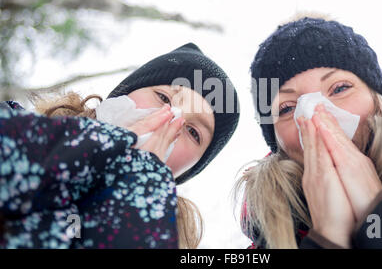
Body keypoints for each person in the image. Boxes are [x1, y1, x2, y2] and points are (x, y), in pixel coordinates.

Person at [234, 16, 382, 249]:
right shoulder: (266, 235)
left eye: (340, 88)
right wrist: (327, 237)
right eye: (287, 108)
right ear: (275, 141)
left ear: (378, 100)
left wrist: (378, 213)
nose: (316, 116)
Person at [0, 42, 240, 248]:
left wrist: (141, 186)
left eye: (192, 132)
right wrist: (100, 145)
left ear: (190, 169)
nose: (169, 121)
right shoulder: (16, 124)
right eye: (164, 98)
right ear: (122, 95)